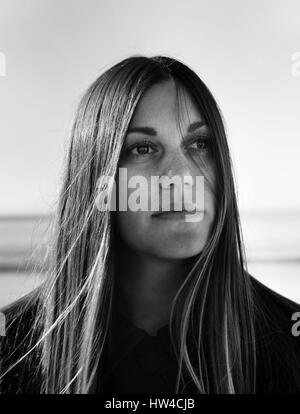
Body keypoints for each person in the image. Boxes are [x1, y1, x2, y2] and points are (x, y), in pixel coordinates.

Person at [0, 55, 299, 394]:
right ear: (98, 181)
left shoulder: (290, 340)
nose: (183, 176)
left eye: (200, 144)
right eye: (143, 148)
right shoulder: (10, 350)